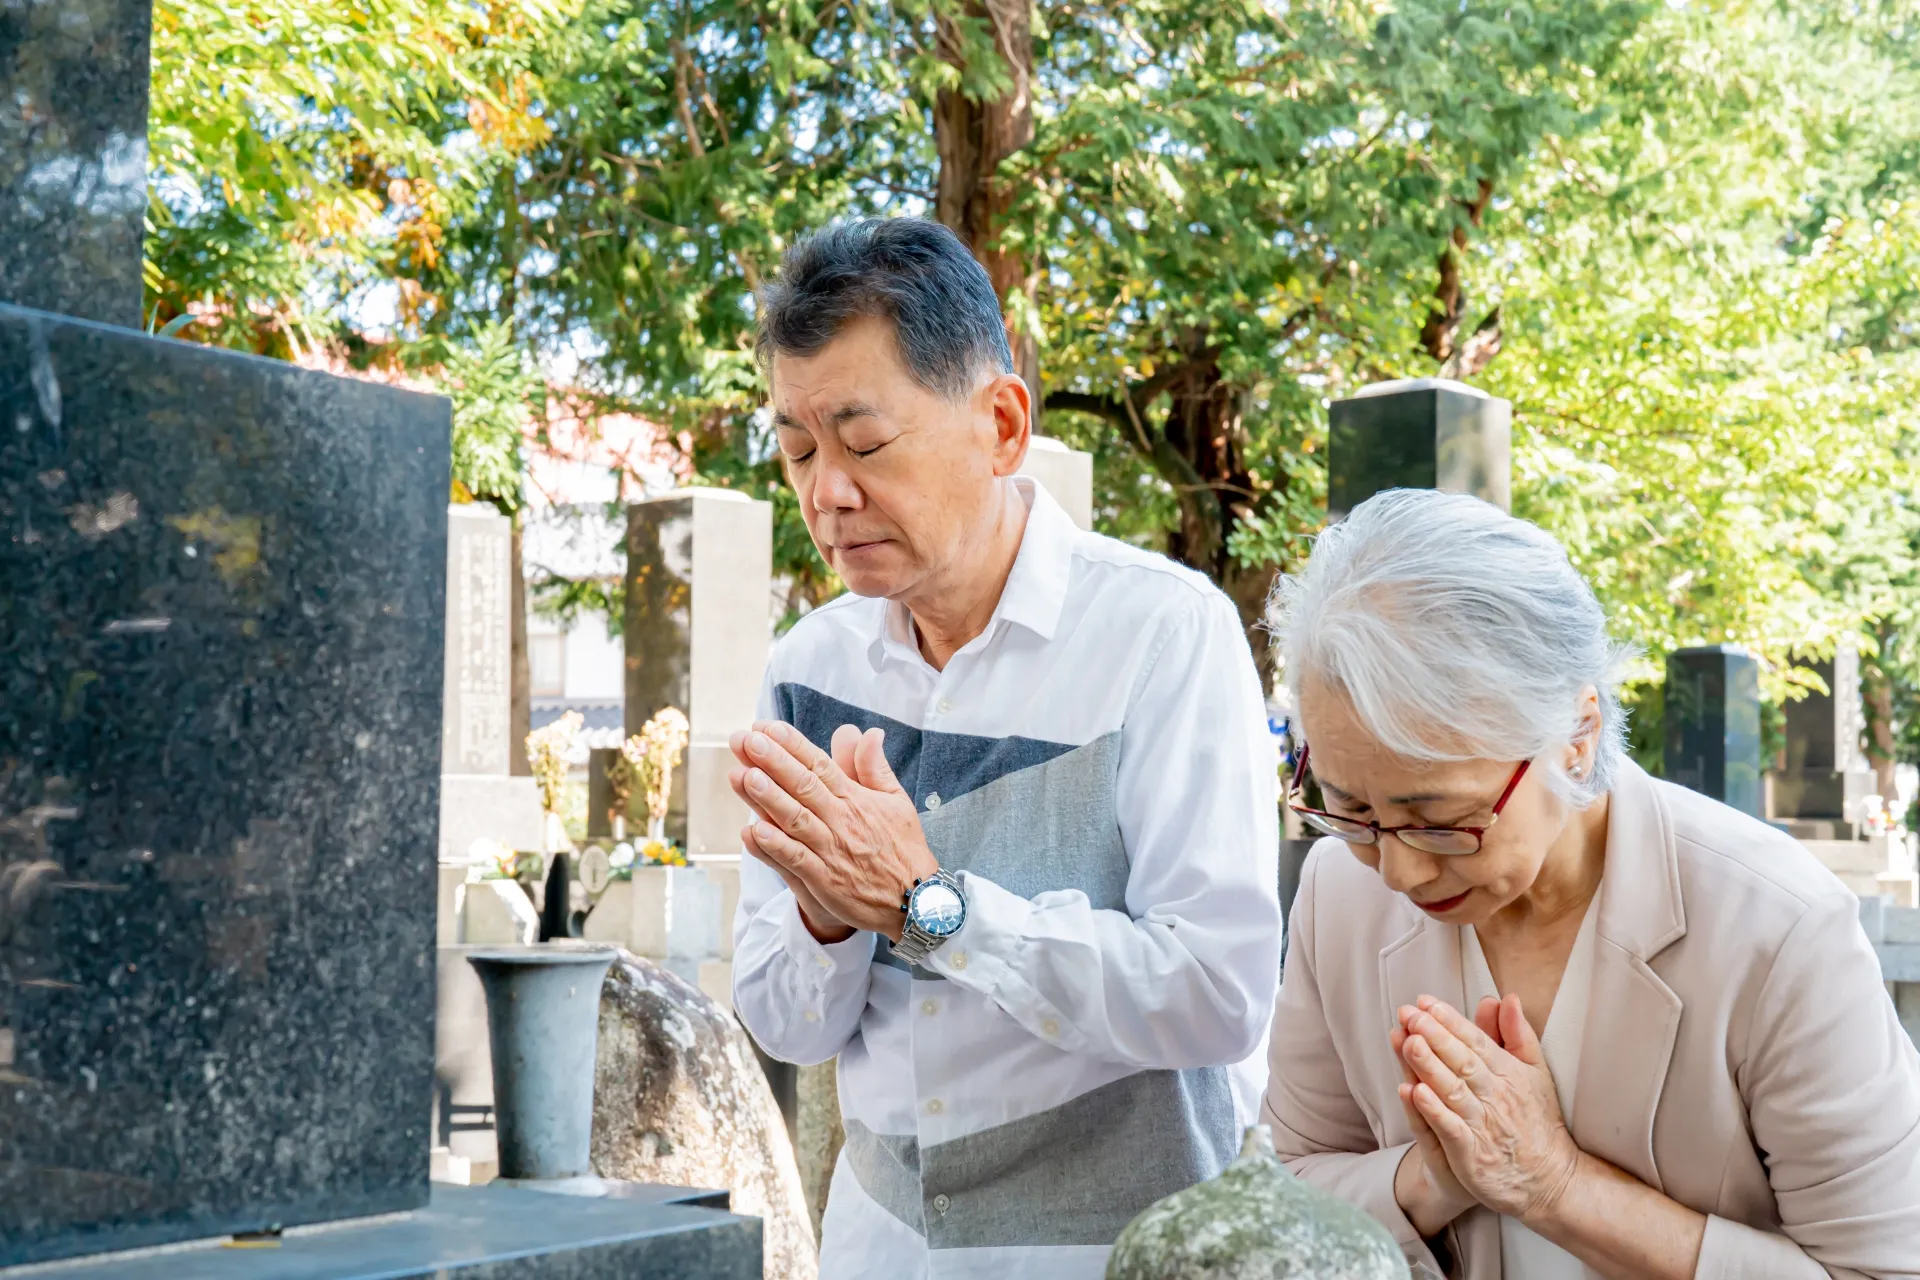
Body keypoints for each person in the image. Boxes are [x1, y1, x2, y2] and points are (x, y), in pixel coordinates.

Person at [728, 217, 1282, 1279]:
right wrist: (822, 911)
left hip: (1118, 1249)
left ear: (1002, 423)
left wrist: (930, 906)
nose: (826, 493)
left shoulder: (1161, 634)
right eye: (798, 451)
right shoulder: (811, 664)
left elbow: (1217, 992)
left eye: (864, 442)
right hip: (882, 1245)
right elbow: (787, 1021)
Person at [1261, 488, 1920, 1280]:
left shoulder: (1776, 928)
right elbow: (1277, 1199)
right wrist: (1429, 1178)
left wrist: (1557, 1185)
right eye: (1349, 807)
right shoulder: (1340, 896)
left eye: (1441, 819)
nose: (1397, 871)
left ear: (1578, 736)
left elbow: (1881, 1269)